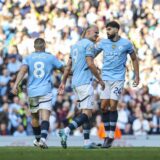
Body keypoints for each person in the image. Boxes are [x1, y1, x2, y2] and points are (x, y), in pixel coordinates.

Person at [58, 25, 105, 149]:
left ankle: (86, 142)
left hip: (75, 83)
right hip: (84, 82)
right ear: (88, 32)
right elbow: (90, 63)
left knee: (85, 111)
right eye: (95, 33)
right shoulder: (88, 44)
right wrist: (99, 79)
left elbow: (68, 67)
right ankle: (66, 130)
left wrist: (63, 82)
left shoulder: (75, 46)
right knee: (88, 113)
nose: (97, 36)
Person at [12, 38, 64, 149]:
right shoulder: (50, 57)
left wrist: (16, 84)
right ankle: (43, 139)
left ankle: (38, 139)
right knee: (45, 117)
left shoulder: (29, 58)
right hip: (45, 90)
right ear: (44, 45)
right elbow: (63, 69)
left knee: (35, 117)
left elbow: (22, 71)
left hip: (32, 91)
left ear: (34, 47)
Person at [95, 21, 140, 148]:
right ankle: (108, 135)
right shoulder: (103, 42)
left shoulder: (126, 43)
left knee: (113, 104)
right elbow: (91, 55)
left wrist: (137, 75)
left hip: (118, 79)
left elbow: (134, 59)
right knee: (103, 107)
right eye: (106, 29)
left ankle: (110, 136)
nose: (107, 32)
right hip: (105, 78)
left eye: (109, 29)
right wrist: (95, 67)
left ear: (116, 29)